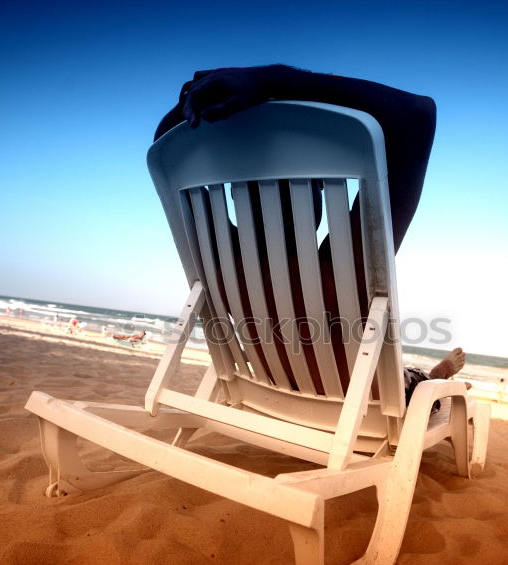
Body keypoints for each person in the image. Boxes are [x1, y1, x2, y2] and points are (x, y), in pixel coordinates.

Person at [156, 65, 465, 402]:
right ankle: (434, 376)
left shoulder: (218, 257)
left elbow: (161, 145)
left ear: (235, 197)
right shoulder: (341, 269)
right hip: (366, 409)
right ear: (316, 198)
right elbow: (416, 114)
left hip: (276, 392)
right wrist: (270, 80)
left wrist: (189, 99)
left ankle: (426, 375)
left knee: (400, 373)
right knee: (419, 387)